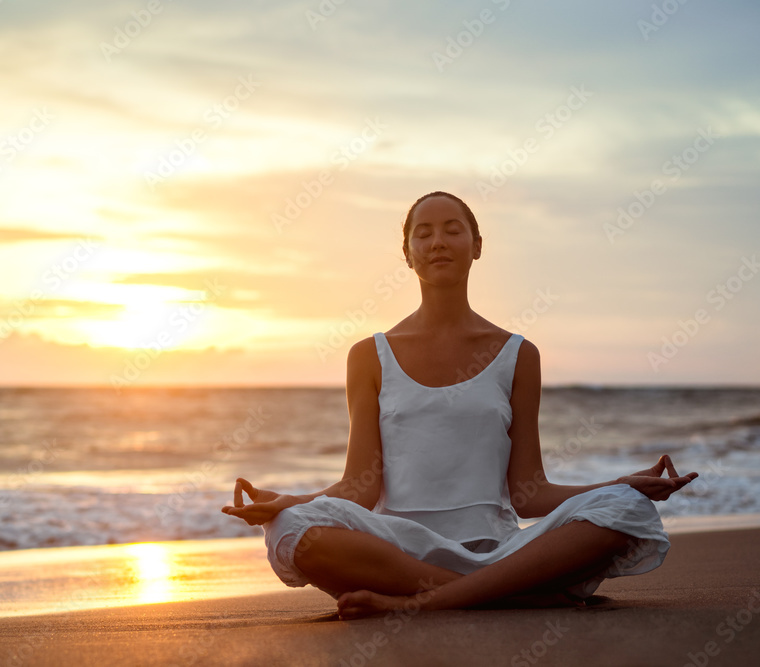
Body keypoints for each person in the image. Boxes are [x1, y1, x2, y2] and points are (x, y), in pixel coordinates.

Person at [220, 191, 698, 620]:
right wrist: (287, 501)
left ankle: (428, 602)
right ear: (407, 254)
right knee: (290, 529)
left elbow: (529, 494)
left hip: (502, 550)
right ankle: (509, 598)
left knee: (626, 510)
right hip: (396, 552)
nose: (438, 242)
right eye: (422, 233)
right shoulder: (369, 355)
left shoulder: (518, 354)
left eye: (453, 229)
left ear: (477, 245)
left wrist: (622, 484)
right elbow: (357, 489)